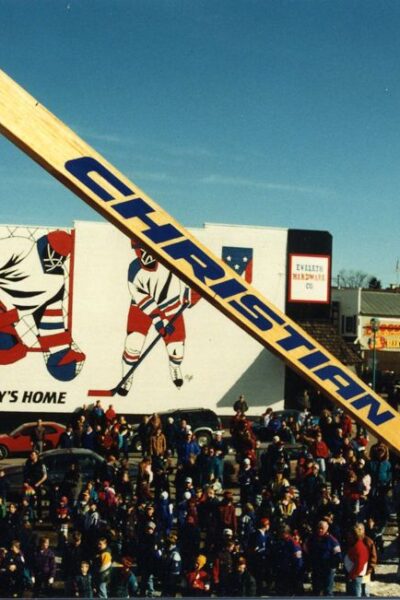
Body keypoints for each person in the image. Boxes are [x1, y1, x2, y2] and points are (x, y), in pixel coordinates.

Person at [0, 230, 85, 380]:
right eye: (54, 253)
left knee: (10, 352)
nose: (56, 260)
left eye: (61, 256)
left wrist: (60, 353)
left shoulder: (56, 282)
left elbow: (50, 317)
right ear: (45, 245)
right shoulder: (20, 246)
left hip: (7, 318)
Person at [118, 242, 199, 395]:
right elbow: (142, 298)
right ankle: (126, 376)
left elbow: (188, 274)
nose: (146, 255)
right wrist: (159, 321)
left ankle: (175, 367)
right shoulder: (134, 270)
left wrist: (191, 293)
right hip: (142, 309)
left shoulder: (170, 258)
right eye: (141, 249)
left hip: (171, 306)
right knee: (133, 343)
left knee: (176, 349)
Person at [304, 519, 341, 597]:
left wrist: (331, 566)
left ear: (327, 528)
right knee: (316, 591)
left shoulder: (332, 540)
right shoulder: (312, 539)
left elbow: (338, 556)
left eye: (322, 528)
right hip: (316, 569)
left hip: (328, 570)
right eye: (318, 528)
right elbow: (306, 550)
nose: (320, 530)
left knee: (328, 592)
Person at [344, 524, 370, 597]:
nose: (348, 537)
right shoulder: (354, 544)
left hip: (355, 576)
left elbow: (359, 565)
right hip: (352, 575)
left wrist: (352, 575)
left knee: (356, 594)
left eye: (350, 536)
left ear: (355, 536)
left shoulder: (360, 547)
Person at [23, 450, 47, 523]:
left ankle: (39, 516)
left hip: (38, 484)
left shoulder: (41, 464)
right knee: (28, 500)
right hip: (29, 485)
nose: (31, 456)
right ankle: (30, 516)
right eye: (31, 455)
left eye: (33, 455)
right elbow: (25, 473)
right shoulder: (28, 463)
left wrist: (38, 483)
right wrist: (25, 482)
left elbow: (45, 476)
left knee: (38, 501)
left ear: (36, 455)